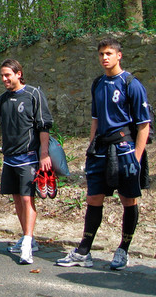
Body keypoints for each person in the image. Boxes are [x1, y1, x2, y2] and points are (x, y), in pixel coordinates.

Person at [56, 38, 150, 270]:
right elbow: (95, 120)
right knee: (93, 198)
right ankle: (84, 252)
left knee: (128, 200)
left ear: (119, 55)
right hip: (100, 150)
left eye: (108, 53)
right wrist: (90, 148)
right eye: (101, 54)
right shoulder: (98, 83)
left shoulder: (131, 84)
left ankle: (123, 249)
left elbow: (143, 126)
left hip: (125, 149)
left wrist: (136, 159)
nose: (104, 58)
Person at [0, 59, 53, 264]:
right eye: (2, 75)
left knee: (28, 199)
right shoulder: (2, 100)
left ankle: (28, 244)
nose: (4, 79)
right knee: (17, 199)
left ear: (19, 73)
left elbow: (43, 126)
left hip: (28, 157)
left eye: (8, 75)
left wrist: (44, 154)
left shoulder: (33, 95)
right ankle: (27, 236)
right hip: (9, 158)